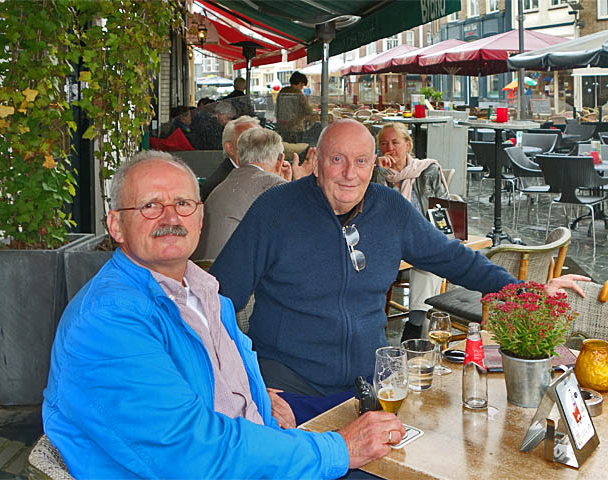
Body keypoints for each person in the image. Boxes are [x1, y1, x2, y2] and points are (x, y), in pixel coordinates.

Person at [42, 150, 404, 479]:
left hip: (248, 453)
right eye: (150, 206)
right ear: (115, 225)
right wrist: (339, 449)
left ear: (200, 217)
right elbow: (192, 453)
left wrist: (259, 397)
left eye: (183, 203)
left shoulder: (199, 290)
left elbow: (215, 390)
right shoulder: (109, 321)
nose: (171, 217)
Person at [210, 119, 588, 411]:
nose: (349, 173)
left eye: (360, 161)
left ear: (374, 164)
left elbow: (455, 259)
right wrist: (245, 378)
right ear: (317, 161)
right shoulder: (275, 210)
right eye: (337, 160)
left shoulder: (389, 209)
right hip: (290, 387)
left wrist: (525, 291)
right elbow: (218, 300)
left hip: (371, 385)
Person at [372, 122, 450, 341]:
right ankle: (373, 326)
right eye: (384, 143)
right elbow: (369, 210)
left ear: (408, 144)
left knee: (429, 263)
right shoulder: (374, 173)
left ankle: (414, 326)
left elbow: (442, 210)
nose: (390, 148)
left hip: (420, 244)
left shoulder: (427, 170)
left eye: (395, 142)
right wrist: (377, 172)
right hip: (386, 250)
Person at [194, 128, 316, 261]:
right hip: (236, 272)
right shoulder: (272, 185)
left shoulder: (224, 183)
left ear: (239, 159)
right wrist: (302, 182)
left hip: (209, 271)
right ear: (280, 160)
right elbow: (305, 230)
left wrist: (287, 185)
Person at [200, 115, 260, 202]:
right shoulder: (220, 184)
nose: (258, 147)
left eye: (259, 141)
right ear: (230, 148)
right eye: (248, 141)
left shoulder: (256, 174)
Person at [275, 71, 314, 143]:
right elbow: (307, 109)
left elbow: (277, 108)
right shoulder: (298, 93)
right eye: (302, 85)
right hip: (295, 127)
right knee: (296, 149)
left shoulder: (282, 91)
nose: (302, 87)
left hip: (282, 127)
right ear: (300, 83)